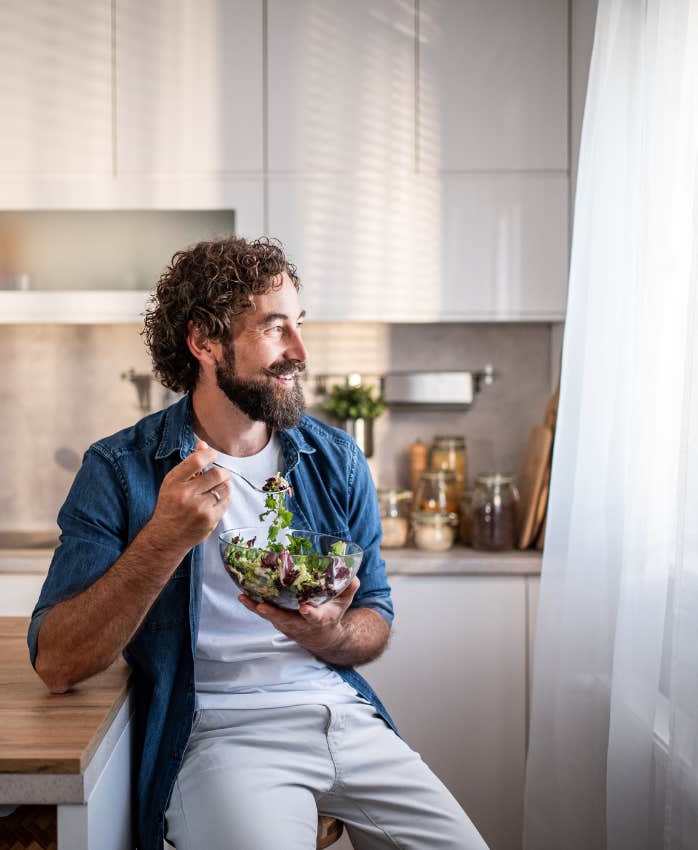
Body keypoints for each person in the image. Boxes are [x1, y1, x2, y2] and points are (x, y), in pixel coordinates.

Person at [28, 236, 488, 850]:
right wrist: (164, 540)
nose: (300, 351)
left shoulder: (335, 459)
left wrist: (329, 635)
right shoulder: (120, 468)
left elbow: (374, 615)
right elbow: (57, 663)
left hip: (345, 716)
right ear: (204, 342)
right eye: (275, 328)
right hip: (220, 732)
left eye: (299, 324)